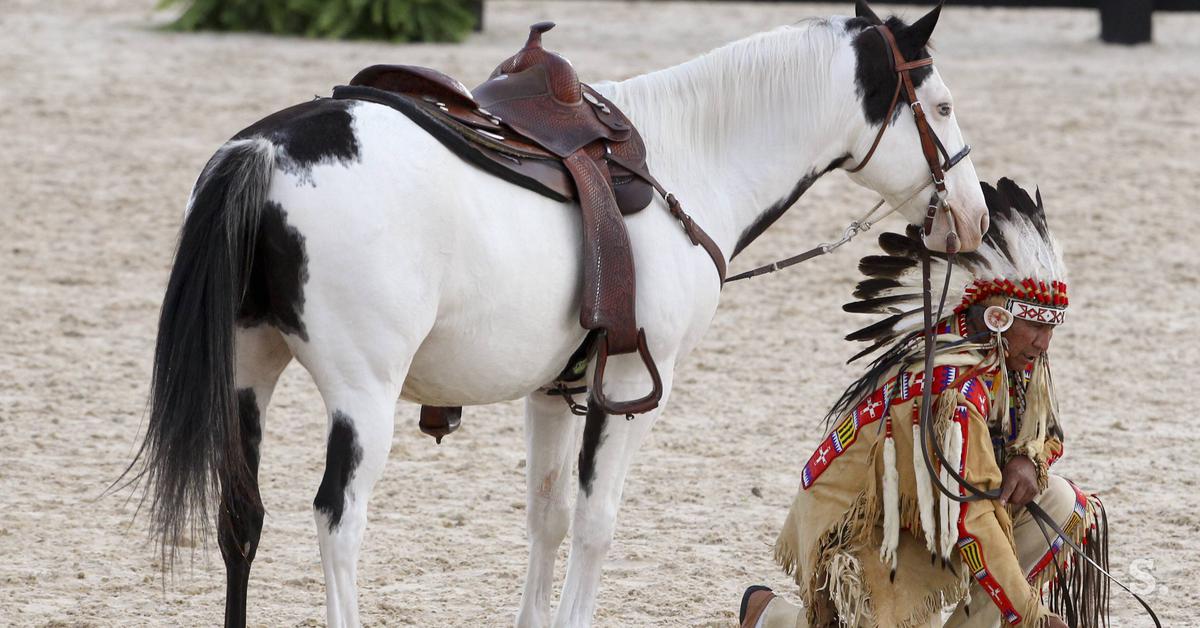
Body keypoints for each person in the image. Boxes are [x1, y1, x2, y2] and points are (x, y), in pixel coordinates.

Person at [740, 179, 1108, 628]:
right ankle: (773, 617)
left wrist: (1027, 461)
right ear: (997, 315)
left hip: (933, 515)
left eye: (1052, 326)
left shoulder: (1010, 356)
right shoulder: (951, 391)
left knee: (1060, 503)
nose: (1044, 341)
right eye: (1033, 324)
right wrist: (1032, 616)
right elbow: (975, 522)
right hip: (866, 529)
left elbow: (1043, 431)